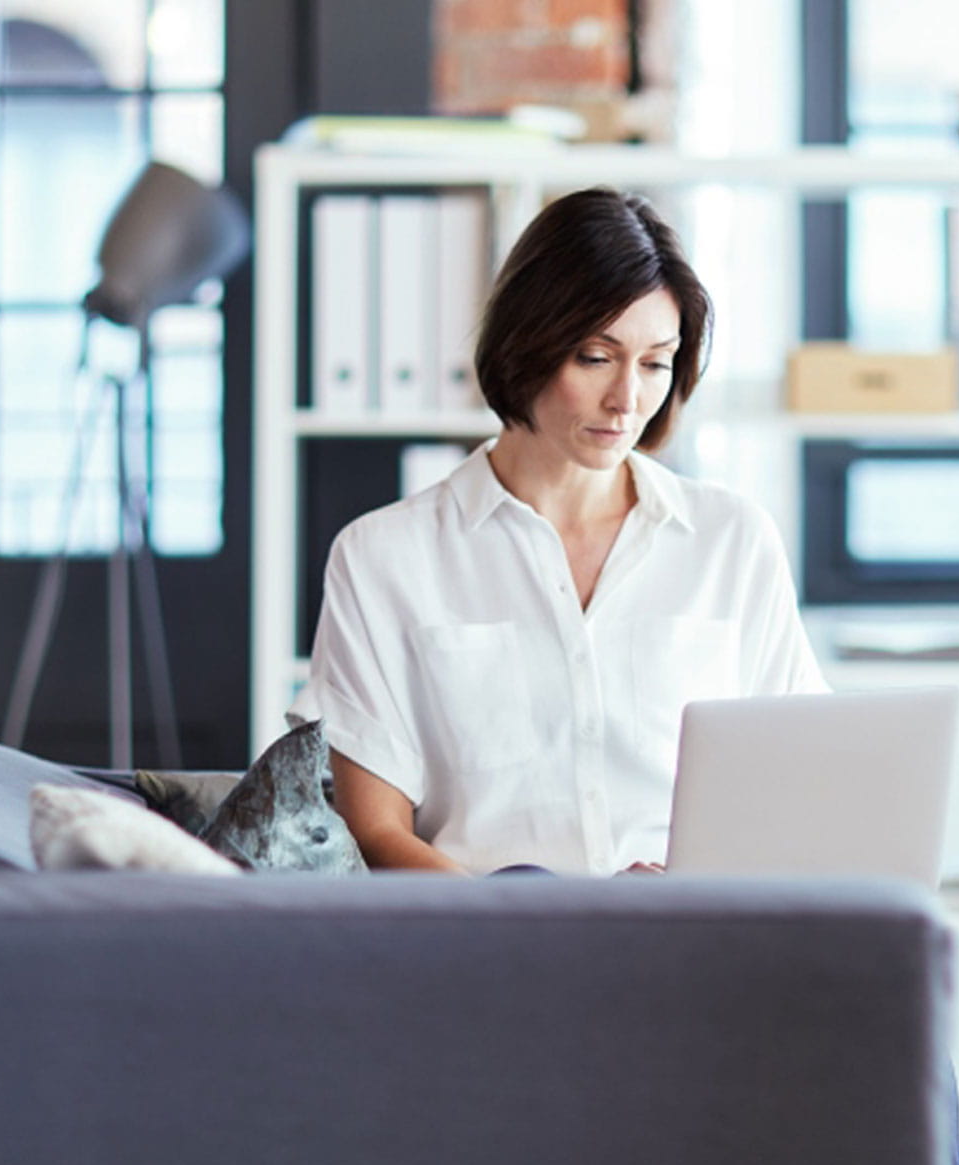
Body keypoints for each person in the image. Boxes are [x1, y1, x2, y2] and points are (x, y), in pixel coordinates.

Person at [287, 186, 827, 877]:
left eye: (656, 362)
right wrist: (541, 926)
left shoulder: (732, 542)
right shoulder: (384, 557)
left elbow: (797, 784)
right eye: (596, 358)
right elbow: (375, 832)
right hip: (487, 953)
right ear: (527, 344)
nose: (627, 398)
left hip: (692, 948)